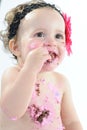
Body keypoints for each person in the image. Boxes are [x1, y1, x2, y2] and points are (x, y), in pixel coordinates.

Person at [0, 0, 83, 130]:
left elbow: (71, 122)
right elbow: (12, 111)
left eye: (58, 36)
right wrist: (30, 69)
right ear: (15, 47)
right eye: (40, 34)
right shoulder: (13, 74)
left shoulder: (61, 82)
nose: (51, 42)